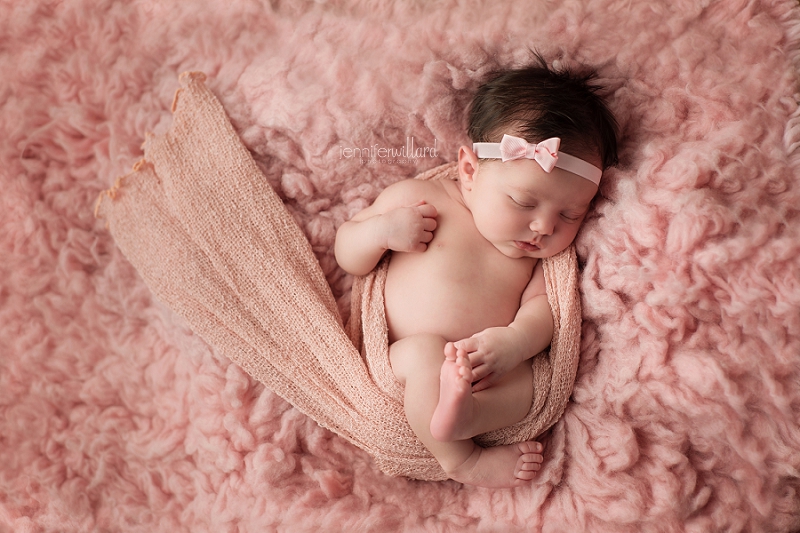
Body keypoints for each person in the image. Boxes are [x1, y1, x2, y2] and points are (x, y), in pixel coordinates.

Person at [334, 55, 618, 488]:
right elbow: (347, 254)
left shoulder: (540, 259)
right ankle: (462, 460)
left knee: (528, 386)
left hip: (485, 369)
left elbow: (547, 312)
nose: (544, 227)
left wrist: (514, 343)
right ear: (469, 171)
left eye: (570, 214)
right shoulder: (419, 199)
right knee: (425, 353)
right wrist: (379, 232)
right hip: (406, 363)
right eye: (524, 203)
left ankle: (470, 414)